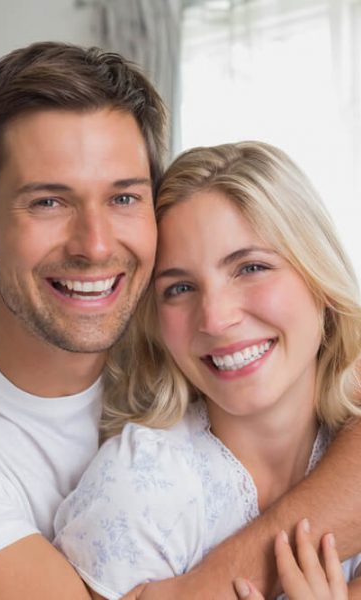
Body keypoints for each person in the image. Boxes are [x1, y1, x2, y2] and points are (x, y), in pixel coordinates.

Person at [0, 42, 361, 600]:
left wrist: (193, 591)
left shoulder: (180, 328)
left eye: (124, 198)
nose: (95, 246)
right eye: (49, 202)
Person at [54, 141, 361, 599]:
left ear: (319, 276)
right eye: (179, 288)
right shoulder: (138, 492)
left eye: (251, 267)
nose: (215, 319)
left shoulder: (346, 432)